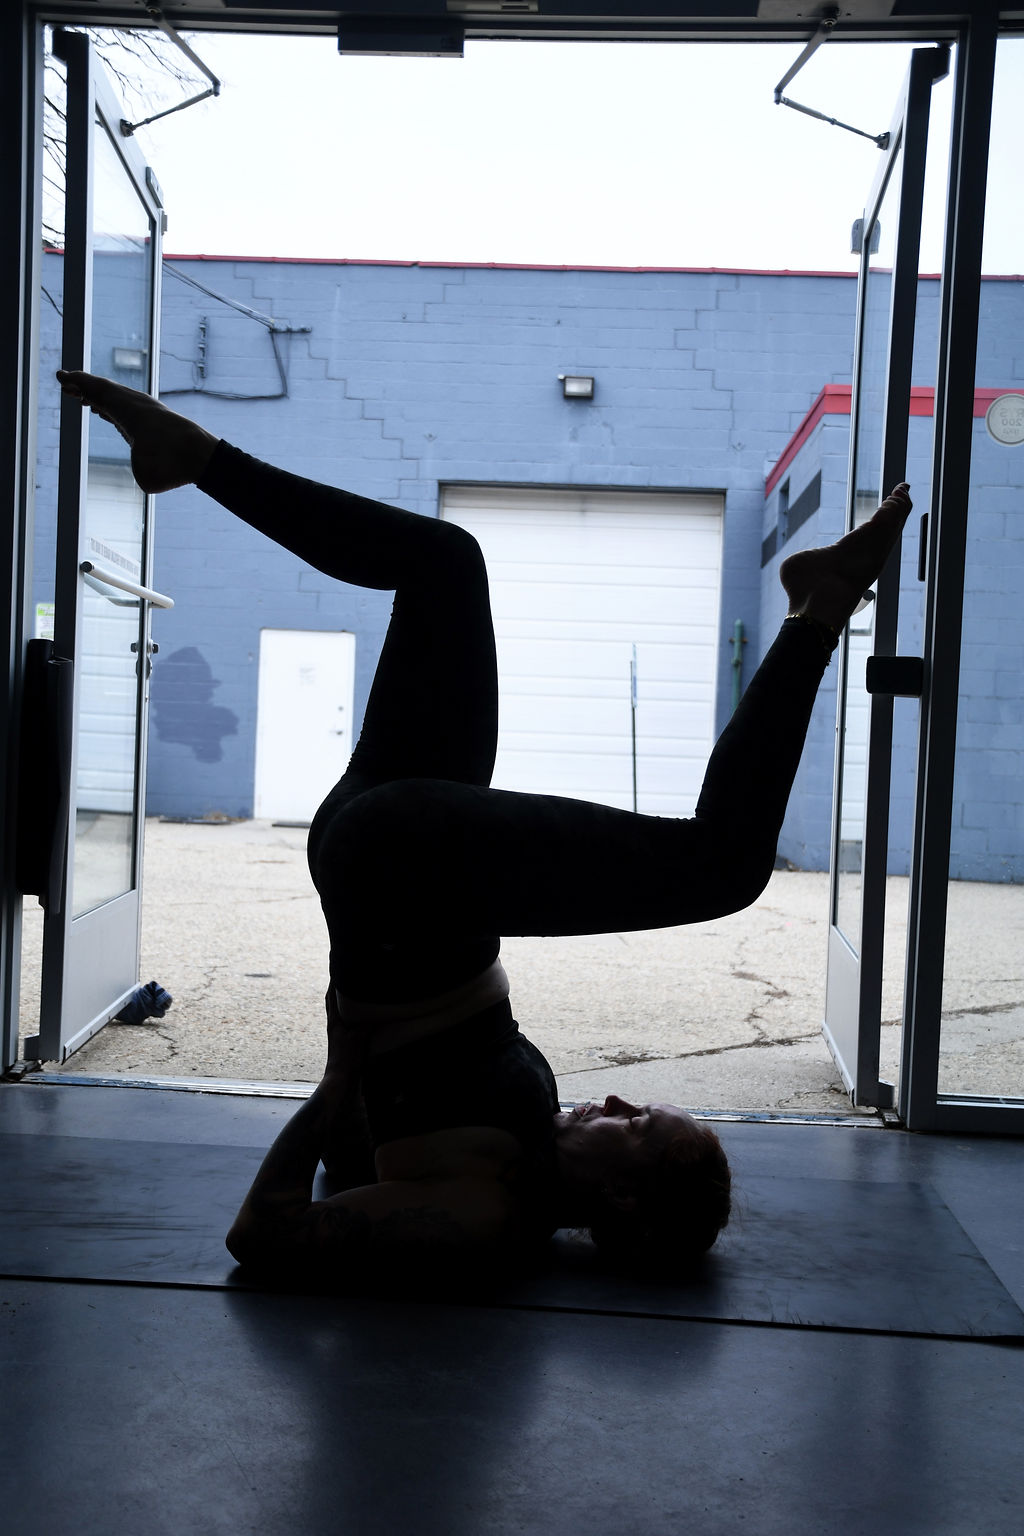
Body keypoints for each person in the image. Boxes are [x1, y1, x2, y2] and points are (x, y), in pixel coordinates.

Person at [57, 369, 912, 1287]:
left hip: (402, 870)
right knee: (445, 563)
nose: (618, 1097)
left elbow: (262, 1237)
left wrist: (335, 1084)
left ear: (625, 1203)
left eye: (637, 1124)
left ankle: (821, 609)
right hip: (409, 862)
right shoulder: (528, 1152)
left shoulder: (486, 1213)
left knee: (725, 868)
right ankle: (196, 459)